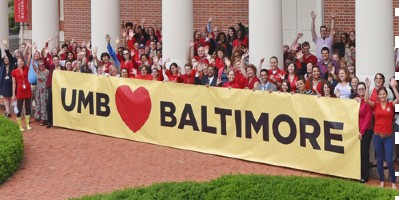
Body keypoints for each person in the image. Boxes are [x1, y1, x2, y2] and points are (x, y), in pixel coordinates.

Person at [365, 77, 399, 189]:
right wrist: (367, 87)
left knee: (389, 160)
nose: (382, 96)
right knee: (379, 160)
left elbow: (398, 98)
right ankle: (382, 181)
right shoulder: (375, 105)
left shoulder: (391, 105)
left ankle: (393, 182)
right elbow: (366, 100)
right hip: (377, 136)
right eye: (380, 94)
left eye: (384, 94)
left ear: (386, 95)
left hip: (388, 137)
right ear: (378, 96)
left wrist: (394, 87)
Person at [354, 82, 372, 183]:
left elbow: (368, 118)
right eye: (359, 89)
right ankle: (357, 174)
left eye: (363, 89)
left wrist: (361, 132)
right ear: (357, 91)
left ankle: (365, 176)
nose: (361, 91)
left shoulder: (367, 102)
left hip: (366, 131)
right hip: (357, 131)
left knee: (364, 154)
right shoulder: (356, 100)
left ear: (365, 90)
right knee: (357, 154)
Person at [12, 58, 32, 131]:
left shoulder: (26, 68)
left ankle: (27, 124)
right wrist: (13, 94)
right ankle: (20, 125)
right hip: (19, 91)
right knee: (19, 108)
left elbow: (29, 58)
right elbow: (14, 83)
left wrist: (28, 47)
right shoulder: (14, 71)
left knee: (27, 107)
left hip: (27, 90)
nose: (21, 62)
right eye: (19, 61)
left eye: (22, 61)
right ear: (17, 62)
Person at [0, 40, 15, 117]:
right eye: (5, 59)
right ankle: (8, 112)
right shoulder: (2, 65)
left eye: (7, 59)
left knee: (9, 98)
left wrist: (5, 46)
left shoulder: (12, 65)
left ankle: (7, 110)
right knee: (5, 98)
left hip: (11, 84)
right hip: (3, 84)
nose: (6, 60)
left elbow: (9, 54)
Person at [31, 59, 49, 125]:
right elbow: (33, 65)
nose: (41, 66)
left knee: (44, 104)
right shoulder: (38, 71)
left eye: (42, 65)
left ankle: (44, 119)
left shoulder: (47, 71)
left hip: (44, 90)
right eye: (40, 65)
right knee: (38, 103)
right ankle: (39, 116)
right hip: (38, 90)